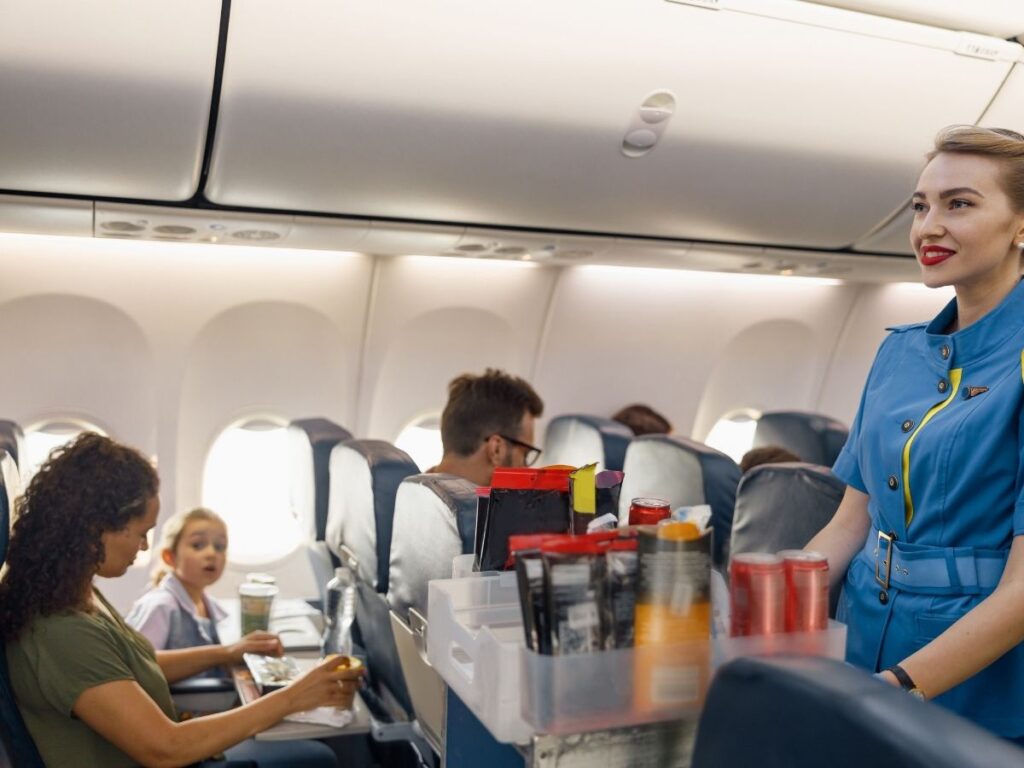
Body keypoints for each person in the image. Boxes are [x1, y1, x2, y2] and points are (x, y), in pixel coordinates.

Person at [808, 125, 1024, 740]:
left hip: (973, 673)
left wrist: (899, 687)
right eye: (920, 206)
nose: (928, 226)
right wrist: (755, 606)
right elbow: (851, 523)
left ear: (1021, 225)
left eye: (959, 203)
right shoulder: (899, 354)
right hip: (863, 635)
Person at [0, 433, 362, 767]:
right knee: (315, 758)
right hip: (166, 754)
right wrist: (295, 697)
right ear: (96, 527)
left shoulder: (74, 590)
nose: (144, 546)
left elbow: (129, 666)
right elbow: (165, 748)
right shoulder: (62, 631)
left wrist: (227, 652)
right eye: (141, 533)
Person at [125, 507, 239, 679]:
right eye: (198, 545)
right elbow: (140, 665)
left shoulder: (208, 604)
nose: (211, 553)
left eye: (220, 547)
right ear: (170, 557)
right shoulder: (161, 606)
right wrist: (225, 653)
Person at [430, 368, 544, 486]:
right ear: (496, 449)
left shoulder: (415, 490)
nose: (526, 469)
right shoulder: (472, 503)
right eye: (524, 454)